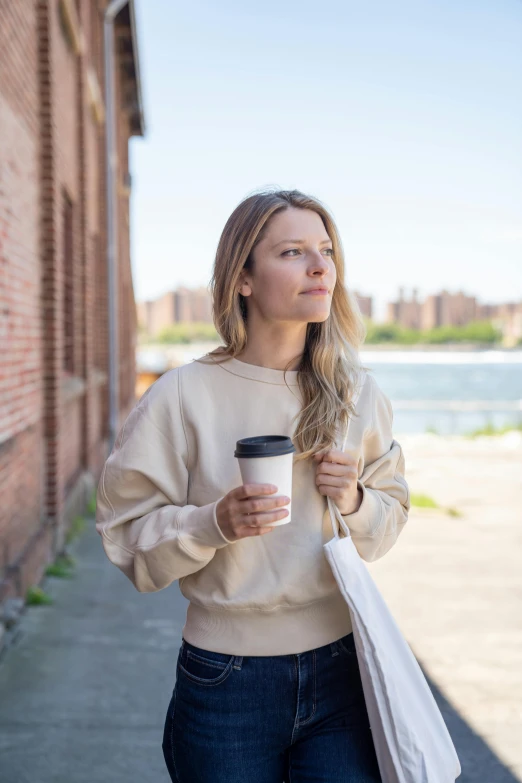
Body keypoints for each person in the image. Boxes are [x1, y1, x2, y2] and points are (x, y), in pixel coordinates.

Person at [95, 188, 410, 782]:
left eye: (326, 250)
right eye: (293, 251)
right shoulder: (183, 394)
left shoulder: (356, 395)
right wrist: (212, 523)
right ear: (242, 277)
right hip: (225, 681)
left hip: (344, 668)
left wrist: (356, 499)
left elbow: (389, 516)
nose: (320, 267)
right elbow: (125, 537)